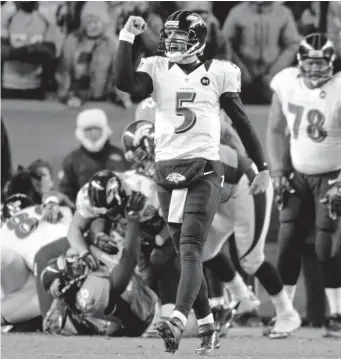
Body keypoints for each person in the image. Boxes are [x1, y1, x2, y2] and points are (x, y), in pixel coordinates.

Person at [115, 10, 271, 354]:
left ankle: (177, 319)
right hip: (166, 168)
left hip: (203, 166)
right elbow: (124, 83)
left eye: (180, 39)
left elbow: (242, 121)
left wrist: (262, 166)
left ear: (198, 41)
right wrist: (127, 37)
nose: (172, 44)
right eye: (169, 38)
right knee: (182, 253)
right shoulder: (156, 67)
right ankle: (208, 327)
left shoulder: (218, 72)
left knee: (190, 249)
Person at [123, 117, 301, 338]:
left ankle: (287, 313)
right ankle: (243, 297)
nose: (142, 165)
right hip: (220, 192)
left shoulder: (177, 155)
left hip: (246, 183)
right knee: (203, 251)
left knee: (251, 259)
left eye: (142, 156)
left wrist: (161, 237)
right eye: (137, 160)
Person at [267, 33, 341, 337]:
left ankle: (336, 312)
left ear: (331, 64)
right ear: (300, 62)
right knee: (287, 243)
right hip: (296, 173)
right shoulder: (286, 82)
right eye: (310, 62)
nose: (315, 69)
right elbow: (274, 129)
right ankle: (285, 313)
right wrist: (277, 171)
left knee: (327, 245)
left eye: (321, 63)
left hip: (332, 174)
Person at [62, 170, 158, 336]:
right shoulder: (89, 197)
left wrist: (133, 221)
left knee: (159, 255)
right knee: (76, 249)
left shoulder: (148, 193)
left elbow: (133, 257)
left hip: (150, 232)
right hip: (124, 245)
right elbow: (75, 229)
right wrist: (94, 240)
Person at [0, 194, 72, 331]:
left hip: (50, 271)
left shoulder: (5, 235)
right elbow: (60, 196)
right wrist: (52, 200)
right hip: (76, 251)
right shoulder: (54, 209)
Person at [58, 108, 130, 203]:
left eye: (96, 128)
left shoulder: (120, 155)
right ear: (81, 133)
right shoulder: (72, 160)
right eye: (88, 129)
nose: (93, 133)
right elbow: (66, 192)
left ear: (104, 130)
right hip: (85, 213)